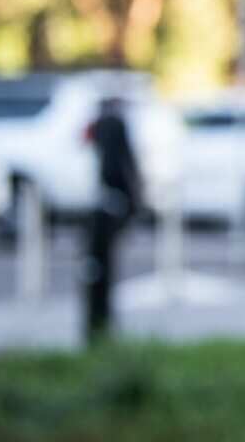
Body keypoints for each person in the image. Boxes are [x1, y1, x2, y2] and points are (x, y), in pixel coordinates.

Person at [84, 95, 142, 344]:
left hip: (110, 204)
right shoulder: (112, 125)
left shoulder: (109, 125)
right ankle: (98, 331)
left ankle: (99, 331)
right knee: (97, 270)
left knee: (98, 269)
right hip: (110, 205)